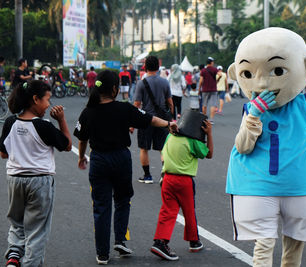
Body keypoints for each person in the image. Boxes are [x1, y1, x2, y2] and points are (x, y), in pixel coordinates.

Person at [226, 27, 306, 267]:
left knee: (294, 246)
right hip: (259, 185)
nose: (262, 83)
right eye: (248, 73)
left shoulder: (305, 105)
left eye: (277, 70)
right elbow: (243, 147)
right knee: (263, 245)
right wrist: (253, 116)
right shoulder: (251, 109)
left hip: (300, 184)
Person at [74, 70, 178, 265]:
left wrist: (81, 157)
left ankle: (102, 253)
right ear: (115, 89)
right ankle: (120, 240)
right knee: (122, 200)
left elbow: (82, 139)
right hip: (121, 158)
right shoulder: (124, 108)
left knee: (101, 206)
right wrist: (169, 124)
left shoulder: (88, 111)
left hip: (98, 160)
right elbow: (150, 119)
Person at [0, 80, 71, 267]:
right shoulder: (43, 126)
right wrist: (62, 119)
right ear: (35, 99)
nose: (49, 105)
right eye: (47, 99)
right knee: (37, 231)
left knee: (17, 223)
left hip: (15, 179)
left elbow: (3, 153)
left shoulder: (10, 122)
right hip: (39, 181)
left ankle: (14, 257)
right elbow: (67, 145)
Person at [151, 111, 213, 261]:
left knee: (168, 210)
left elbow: (163, 154)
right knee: (189, 211)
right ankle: (194, 241)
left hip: (167, 178)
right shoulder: (193, 142)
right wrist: (209, 134)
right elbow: (209, 154)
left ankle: (160, 241)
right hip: (184, 181)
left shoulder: (171, 136)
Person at [134, 56, 174, 184]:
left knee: (144, 148)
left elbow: (136, 104)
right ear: (158, 66)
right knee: (163, 148)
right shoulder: (165, 82)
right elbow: (170, 103)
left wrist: (132, 123)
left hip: (146, 119)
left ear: (145, 67)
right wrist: (170, 118)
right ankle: (163, 175)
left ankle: (147, 176)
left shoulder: (141, 83)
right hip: (162, 120)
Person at [199, 57, 218, 123]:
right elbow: (219, 75)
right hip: (213, 89)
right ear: (211, 62)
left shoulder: (203, 70)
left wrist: (199, 89)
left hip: (205, 90)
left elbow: (201, 81)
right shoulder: (215, 69)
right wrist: (217, 81)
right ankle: (211, 119)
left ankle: (204, 119)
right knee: (213, 104)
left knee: (204, 104)